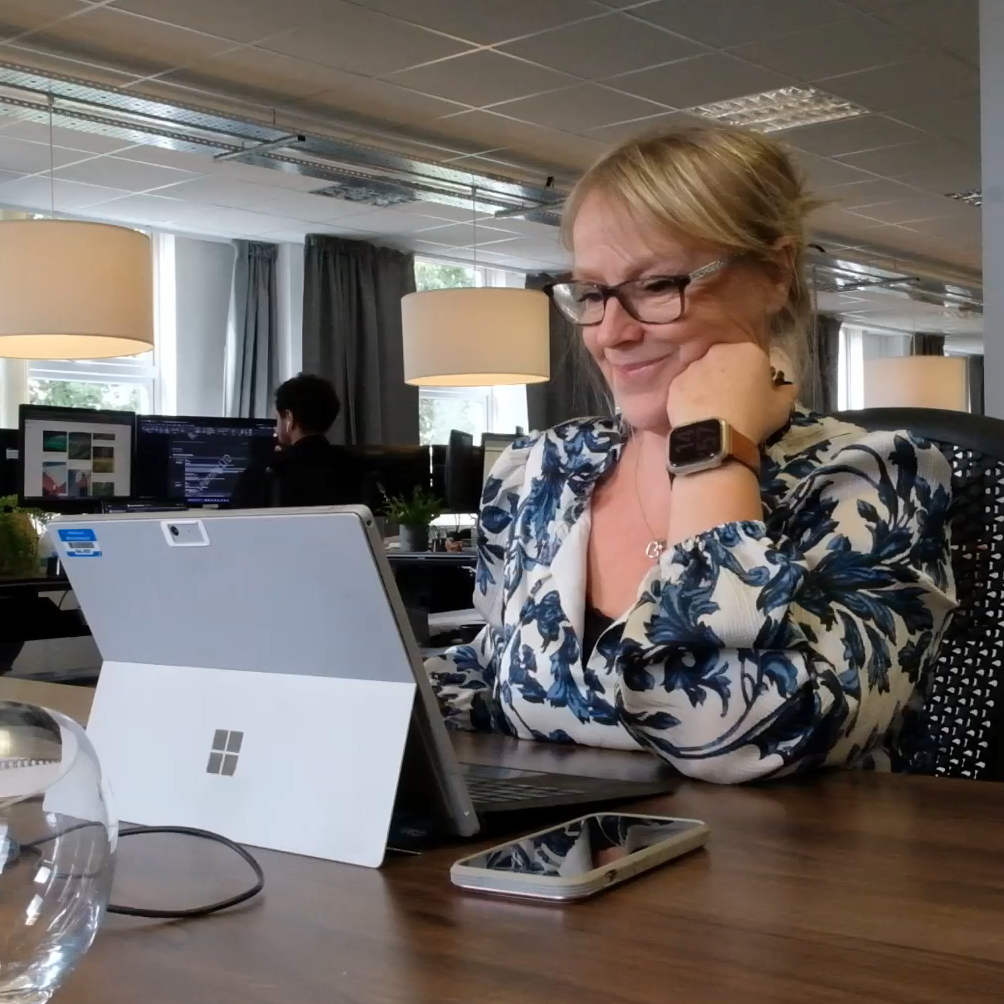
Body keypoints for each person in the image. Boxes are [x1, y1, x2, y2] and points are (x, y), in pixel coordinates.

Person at [426, 126, 956, 783]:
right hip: (558, 870)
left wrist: (710, 451)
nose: (613, 334)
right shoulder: (541, 470)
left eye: (655, 285)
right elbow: (494, 676)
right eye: (593, 295)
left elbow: (731, 736)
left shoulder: (878, 480)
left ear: (773, 275)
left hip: (787, 879)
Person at [230, 373, 358, 508]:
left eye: (277, 418)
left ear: (289, 418)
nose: (275, 427)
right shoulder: (353, 466)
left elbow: (228, 517)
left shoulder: (269, 469)